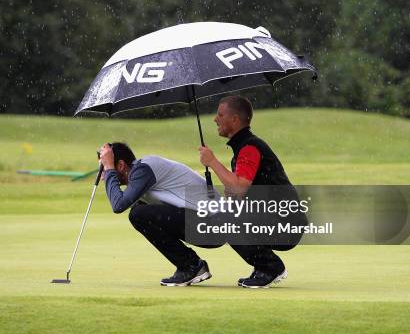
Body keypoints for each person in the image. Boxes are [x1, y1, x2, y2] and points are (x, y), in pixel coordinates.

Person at [198, 95, 305, 288]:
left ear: (234, 120)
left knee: (224, 220)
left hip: (285, 223)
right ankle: (263, 266)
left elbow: (238, 187)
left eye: (220, 115)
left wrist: (212, 162)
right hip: (278, 218)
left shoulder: (249, 147)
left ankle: (271, 268)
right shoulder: (244, 146)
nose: (215, 119)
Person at [98, 142, 217, 286]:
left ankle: (191, 266)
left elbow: (118, 205)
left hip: (212, 225)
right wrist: (110, 167)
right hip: (207, 224)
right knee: (140, 208)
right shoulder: (140, 173)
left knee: (138, 214)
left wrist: (110, 168)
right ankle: (190, 265)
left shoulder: (143, 170)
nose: (103, 176)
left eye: (104, 169)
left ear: (121, 165)